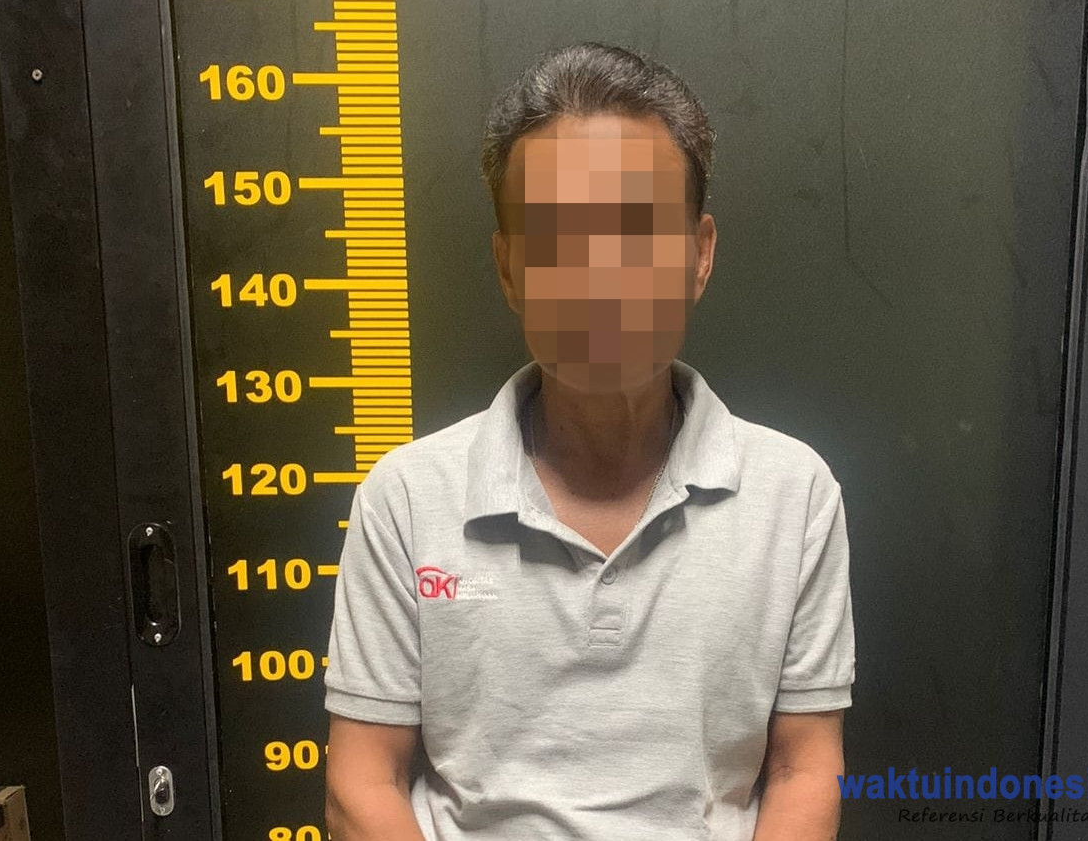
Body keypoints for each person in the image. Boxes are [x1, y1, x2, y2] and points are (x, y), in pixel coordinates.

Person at [324, 41, 856, 841]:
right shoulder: (406, 498)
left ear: (699, 254)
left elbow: (803, 769)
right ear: (508, 269)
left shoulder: (794, 495)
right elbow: (360, 783)